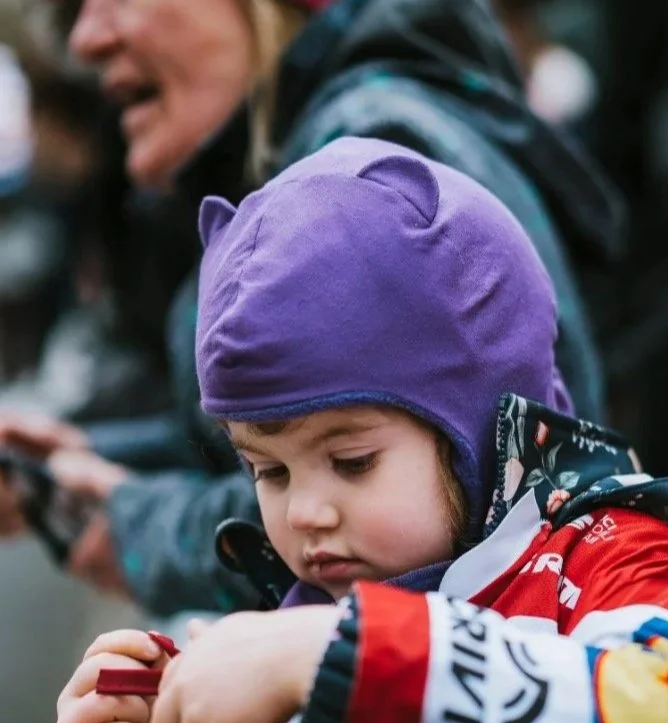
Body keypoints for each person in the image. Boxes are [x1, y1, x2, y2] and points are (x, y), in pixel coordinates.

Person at [57, 138, 668, 723]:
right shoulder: (298, 628)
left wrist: (345, 658)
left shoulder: (611, 554)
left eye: (352, 461)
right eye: (267, 471)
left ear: (474, 429)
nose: (305, 510)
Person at [0, 0, 623, 615]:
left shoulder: (372, 174)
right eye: (265, 473)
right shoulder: (325, 157)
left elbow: (458, 488)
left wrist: (139, 530)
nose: (84, 38)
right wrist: (87, 459)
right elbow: (305, 433)